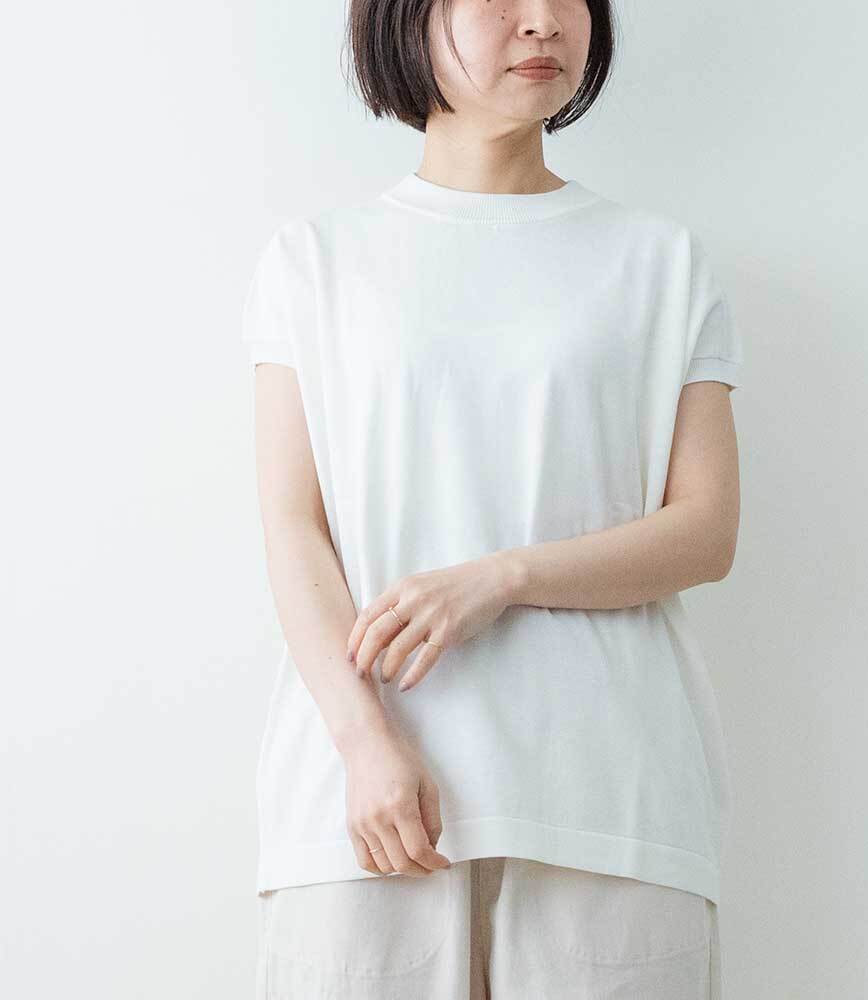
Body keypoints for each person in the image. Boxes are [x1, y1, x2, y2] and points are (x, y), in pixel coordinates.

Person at [243, 1, 743, 997]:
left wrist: (501, 578)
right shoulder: (315, 262)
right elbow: (295, 531)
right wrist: (363, 741)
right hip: (360, 795)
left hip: (609, 796)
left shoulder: (661, 261)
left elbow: (705, 531)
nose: (543, 22)